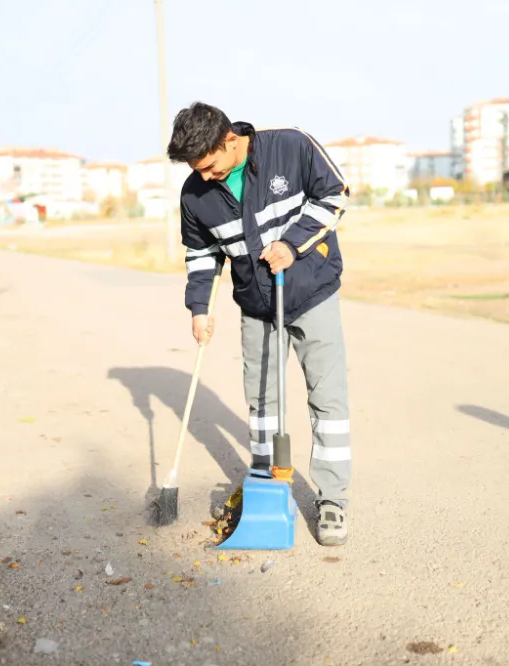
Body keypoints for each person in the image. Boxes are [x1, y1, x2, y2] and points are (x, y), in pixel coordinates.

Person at [166, 101, 352, 547]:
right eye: (196, 170)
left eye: (209, 166)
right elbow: (201, 256)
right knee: (263, 403)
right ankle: (270, 486)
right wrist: (198, 308)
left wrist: (293, 243)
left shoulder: (290, 147)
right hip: (256, 305)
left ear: (229, 140)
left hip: (312, 294)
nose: (204, 177)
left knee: (327, 401)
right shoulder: (194, 194)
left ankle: (332, 499)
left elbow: (336, 194)